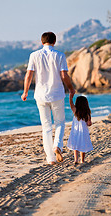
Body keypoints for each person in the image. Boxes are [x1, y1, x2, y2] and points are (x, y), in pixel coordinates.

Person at [21, 32, 75, 165]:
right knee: (60, 122)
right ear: (54, 42)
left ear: (41, 42)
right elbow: (64, 75)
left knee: (46, 126)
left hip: (40, 95)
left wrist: (25, 92)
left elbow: (28, 75)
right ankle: (57, 145)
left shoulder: (34, 55)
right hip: (57, 94)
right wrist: (71, 88)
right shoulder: (60, 55)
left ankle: (50, 158)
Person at [67, 95, 93, 165]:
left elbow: (71, 104)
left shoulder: (76, 111)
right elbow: (89, 123)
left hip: (75, 131)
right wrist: (89, 123)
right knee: (82, 145)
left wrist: (70, 97)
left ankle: (76, 160)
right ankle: (82, 160)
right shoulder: (87, 113)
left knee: (75, 145)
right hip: (83, 132)